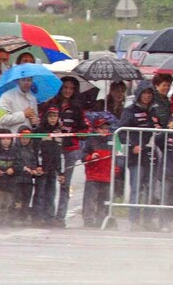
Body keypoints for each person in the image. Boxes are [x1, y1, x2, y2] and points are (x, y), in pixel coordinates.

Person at [119, 80, 158, 230]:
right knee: (136, 188)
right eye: (144, 93)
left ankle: (148, 219)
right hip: (135, 157)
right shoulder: (130, 111)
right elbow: (121, 132)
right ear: (139, 94)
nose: (147, 96)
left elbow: (159, 129)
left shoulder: (154, 111)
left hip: (151, 154)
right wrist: (132, 145)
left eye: (149, 93)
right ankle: (134, 220)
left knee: (150, 189)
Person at [50, 76, 88, 226]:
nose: (68, 91)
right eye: (65, 87)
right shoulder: (52, 104)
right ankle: (48, 214)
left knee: (65, 184)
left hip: (70, 149)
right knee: (51, 181)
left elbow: (84, 128)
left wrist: (78, 134)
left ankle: (60, 217)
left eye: (71, 88)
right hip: (53, 149)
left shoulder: (77, 108)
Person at [31, 105, 65, 227]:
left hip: (53, 168)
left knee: (51, 193)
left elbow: (59, 153)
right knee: (39, 192)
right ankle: (37, 216)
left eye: (55, 116)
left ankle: (49, 216)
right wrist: (38, 165)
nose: (52, 119)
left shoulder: (59, 132)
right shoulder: (40, 131)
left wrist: (60, 171)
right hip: (42, 167)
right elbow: (37, 149)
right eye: (50, 116)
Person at [82, 118, 116, 228]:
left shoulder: (113, 140)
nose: (105, 130)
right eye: (102, 128)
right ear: (96, 129)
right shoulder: (90, 140)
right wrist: (90, 157)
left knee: (104, 200)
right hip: (93, 175)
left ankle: (101, 220)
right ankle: (88, 220)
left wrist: (116, 169)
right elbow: (82, 156)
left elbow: (120, 156)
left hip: (107, 176)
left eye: (106, 128)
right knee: (90, 199)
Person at [12, 127, 40, 224]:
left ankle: (24, 216)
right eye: (23, 138)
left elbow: (34, 161)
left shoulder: (31, 150)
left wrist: (34, 169)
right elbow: (14, 162)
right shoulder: (15, 149)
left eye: (27, 138)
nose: (25, 140)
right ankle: (16, 216)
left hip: (28, 179)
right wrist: (23, 168)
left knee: (27, 198)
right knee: (17, 198)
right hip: (17, 179)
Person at [0, 134, 16, 225]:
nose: (6, 141)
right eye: (3, 139)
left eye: (8, 139)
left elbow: (18, 163)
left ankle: (5, 221)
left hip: (10, 182)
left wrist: (13, 169)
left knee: (8, 203)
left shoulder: (14, 151)